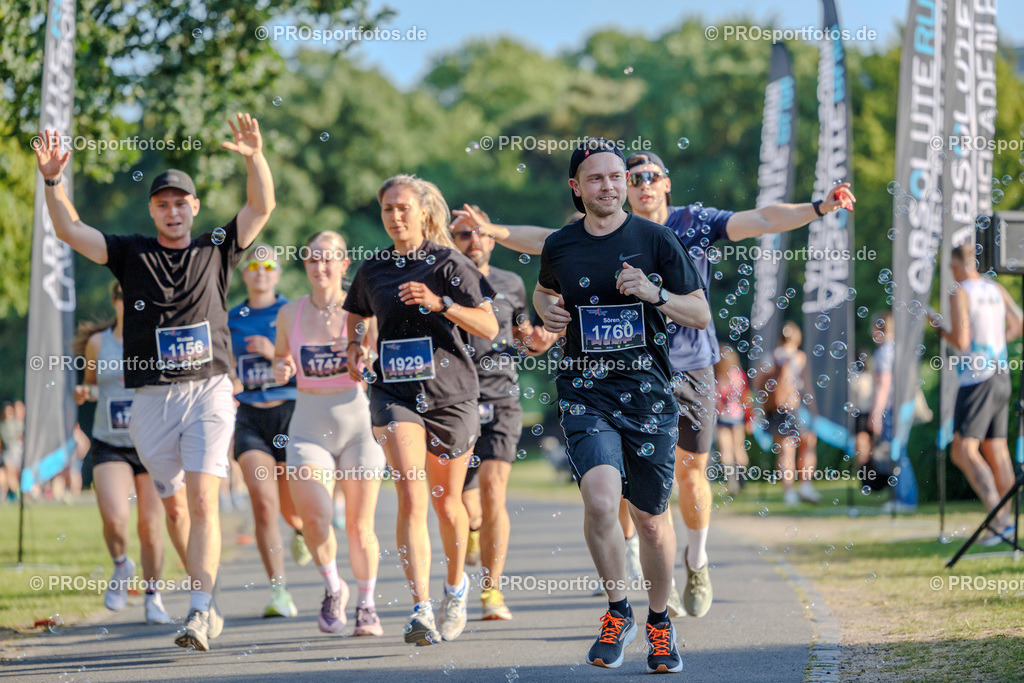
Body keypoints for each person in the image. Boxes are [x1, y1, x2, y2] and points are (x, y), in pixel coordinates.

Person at [456, 148, 854, 619]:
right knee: (616, 484)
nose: (639, 184)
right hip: (612, 374)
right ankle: (627, 564)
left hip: (690, 367)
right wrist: (497, 234)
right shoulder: (587, 234)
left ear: (665, 184)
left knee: (689, 475)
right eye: (632, 176)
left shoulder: (690, 225)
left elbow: (763, 218)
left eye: (647, 176)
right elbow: (549, 245)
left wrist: (818, 208)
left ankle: (696, 557)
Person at [35, 111, 276, 652]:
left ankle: (196, 610)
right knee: (175, 507)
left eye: (180, 202)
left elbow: (262, 206)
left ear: (194, 207)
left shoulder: (216, 247)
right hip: (151, 399)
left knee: (204, 500)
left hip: (210, 389)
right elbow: (69, 230)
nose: (172, 211)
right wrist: (53, 180)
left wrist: (255, 158)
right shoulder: (131, 252)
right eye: (162, 203)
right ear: (153, 210)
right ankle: (201, 597)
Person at [534, 139, 709, 673]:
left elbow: (699, 312)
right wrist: (549, 313)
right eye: (596, 179)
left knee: (652, 521)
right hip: (585, 389)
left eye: (616, 177)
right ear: (577, 187)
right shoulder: (561, 245)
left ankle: (660, 622)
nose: (609, 186)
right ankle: (617, 611)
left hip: (649, 395)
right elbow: (543, 293)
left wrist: (654, 295)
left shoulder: (656, 239)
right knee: (600, 499)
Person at [343, 175, 498, 645]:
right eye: (388, 208)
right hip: (395, 394)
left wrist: (441, 303)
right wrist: (354, 349)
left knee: (445, 502)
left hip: (451, 396)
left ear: (423, 212)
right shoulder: (374, 269)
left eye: (403, 207)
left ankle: (455, 590)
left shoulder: (449, 263)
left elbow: (488, 324)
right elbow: (356, 316)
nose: (395, 216)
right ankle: (421, 608)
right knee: (411, 493)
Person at [274, 230, 388, 636]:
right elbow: (281, 357)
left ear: (344, 265)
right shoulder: (289, 314)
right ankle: (333, 587)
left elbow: (377, 359)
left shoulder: (364, 313)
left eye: (329, 259)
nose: (320, 267)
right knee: (316, 518)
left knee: (360, 525)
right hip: (308, 428)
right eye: (312, 259)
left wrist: (369, 360)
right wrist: (282, 368)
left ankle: (368, 604)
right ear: (304, 265)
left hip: (358, 427)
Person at [449, 207, 557, 620]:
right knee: (463, 501)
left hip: (501, 396)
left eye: (479, 234)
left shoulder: (511, 282)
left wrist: (539, 339)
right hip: (454, 399)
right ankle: (473, 530)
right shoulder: (442, 278)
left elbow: (522, 336)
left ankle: (492, 591)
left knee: (494, 492)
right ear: (450, 241)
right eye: (462, 235)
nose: (473, 241)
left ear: (493, 239)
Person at [73, 281, 174, 624]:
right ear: (114, 301)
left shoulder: (155, 340)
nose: (129, 305)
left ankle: (153, 596)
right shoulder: (98, 343)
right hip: (110, 442)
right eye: (123, 298)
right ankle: (121, 566)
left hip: (151, 442)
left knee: (150, 525)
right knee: (115, 517)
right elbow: (91, 383)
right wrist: (83, 391)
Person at [228, 246, 309, 619]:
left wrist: (272, 355)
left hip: (290, 413)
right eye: (254, 266)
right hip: (249, 417)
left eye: (268, 266)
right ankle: (279, 592)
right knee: (263, 504)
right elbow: (223, 363)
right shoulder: (233, 317)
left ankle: (302, 529)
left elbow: (310, 363)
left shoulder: (291, 312)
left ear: (277, 273)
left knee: (295, 508)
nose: (261, 272)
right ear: (244, 274)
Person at [934, 243, 1023, 545]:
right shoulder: (995, 289)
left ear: (958, 265)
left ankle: (998, 520)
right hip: (1000, 374)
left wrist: (938, 327)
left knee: (963, 451)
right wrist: (997, 344)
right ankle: (1005, 522)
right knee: (996, 450)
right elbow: (1018, 323)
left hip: (976, 379)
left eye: (950, 267)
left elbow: (960, 341)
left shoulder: (959, 291)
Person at [714, 345, 750, 495]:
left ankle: (734, 482)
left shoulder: (718, 376)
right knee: (737, 450)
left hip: (725, 418)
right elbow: (746, 399)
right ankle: (738, 482)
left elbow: (716, 400)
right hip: (736, 418)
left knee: (728, 451)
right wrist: (749, 419)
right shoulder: (738, 375)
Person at [0, 402, 24, 502]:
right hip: (8, 454)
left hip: (17, 453)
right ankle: (14, 492)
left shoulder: (18, 424)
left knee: (14, 474)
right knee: (8, 472)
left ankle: (15, 492)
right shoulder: (3, 426)